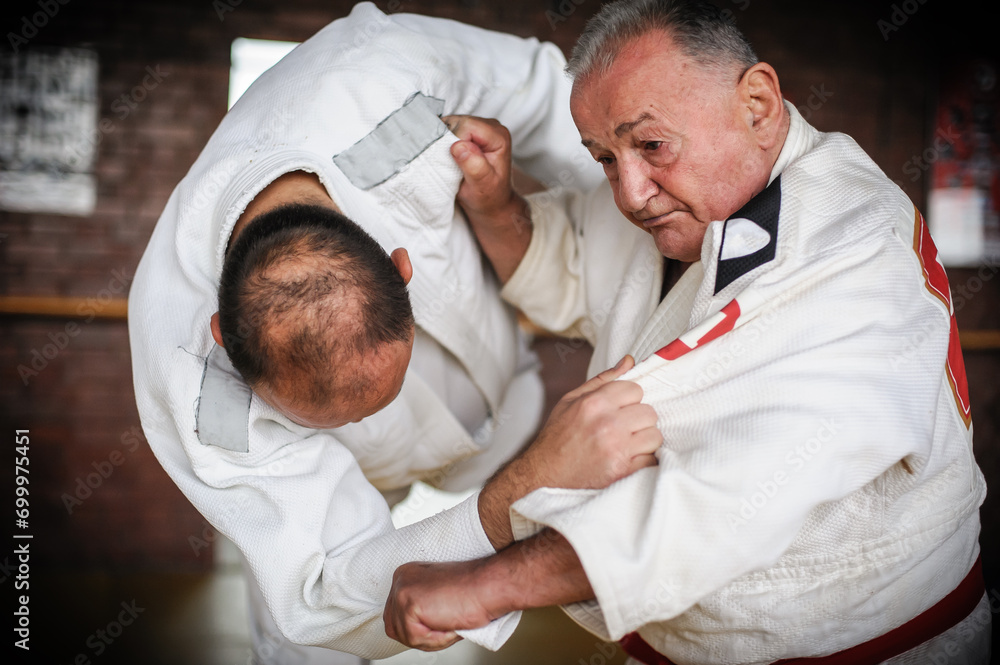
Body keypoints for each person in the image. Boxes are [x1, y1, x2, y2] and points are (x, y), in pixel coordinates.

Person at [382, 1, 991, 663]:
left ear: (756, 103)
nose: (630, 193)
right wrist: (494, 202)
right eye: (605, 159)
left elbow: (721, 505)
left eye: (651, 146)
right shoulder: (679, 199)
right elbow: (569, 265)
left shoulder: (850, 253)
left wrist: (485, 584)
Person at [127, 3, 663, 663]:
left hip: (503, 391)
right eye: (336, 415)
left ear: (397, 265)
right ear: (225, 341)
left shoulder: (383, 69)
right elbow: (320, 581)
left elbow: (543, 88)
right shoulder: (192, 377)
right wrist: (511, 502)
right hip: (356, 489)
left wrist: (645, 230)